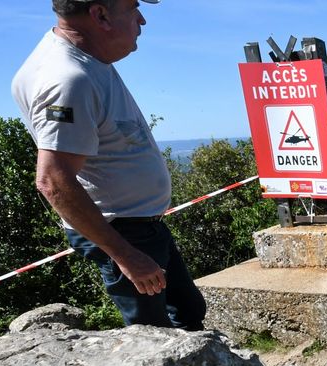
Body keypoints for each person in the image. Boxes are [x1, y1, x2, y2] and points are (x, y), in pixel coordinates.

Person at [12, 0, 205, 331]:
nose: (142, 19)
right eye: (132, 8)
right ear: (100, 15)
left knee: (188, 309)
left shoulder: (87, 60)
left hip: (139, 225)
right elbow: (53, 181)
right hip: (122, 231)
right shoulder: (67, 78)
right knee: (154, 336)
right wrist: (126, 256)